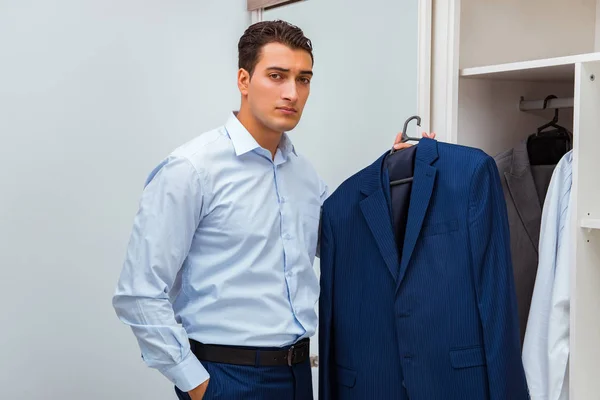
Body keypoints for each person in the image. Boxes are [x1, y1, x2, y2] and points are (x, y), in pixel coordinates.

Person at [112, 19, 434, 400]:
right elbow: (139, 293)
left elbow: (344, 242)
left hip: (298, 376)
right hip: (226, 378)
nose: (292, 93)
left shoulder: (303, 175)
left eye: (303, 79)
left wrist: (394, 174)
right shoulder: (191, 170)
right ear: (244, 81)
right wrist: (199, 386)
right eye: (277, 76)